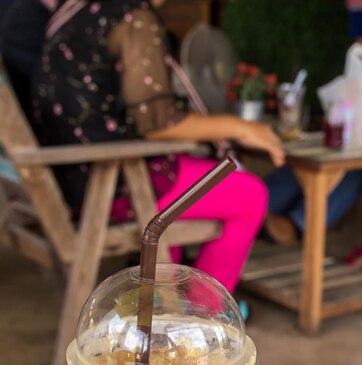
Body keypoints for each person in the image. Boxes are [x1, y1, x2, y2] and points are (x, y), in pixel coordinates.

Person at [32, 0, 285, 297]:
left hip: (76, 179)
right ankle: (201, 317)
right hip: (109, 184)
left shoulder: (74, 11)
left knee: (184, 180)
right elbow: (158, 122)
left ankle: (168, 306)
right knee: (250, 194)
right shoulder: (134, 18)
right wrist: (242, 127)